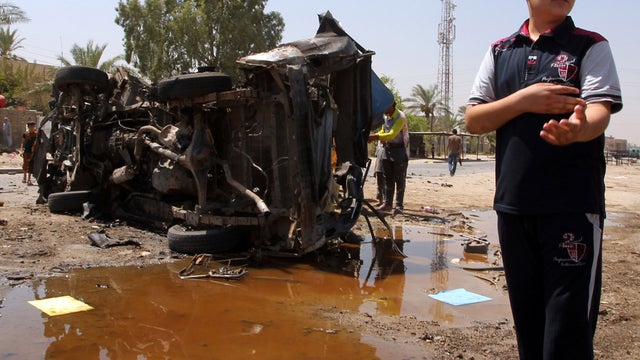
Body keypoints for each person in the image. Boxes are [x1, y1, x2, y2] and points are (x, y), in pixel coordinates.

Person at [465, 1, 622, 358]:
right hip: (513, 208)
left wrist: (580, 130)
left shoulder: (590, 45)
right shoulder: (500, 50)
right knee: (530, 331)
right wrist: (523, 100)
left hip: (572, 209)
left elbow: (599, 109)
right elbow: (474, 119)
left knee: (567, 334)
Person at [368, 102, 409, 215]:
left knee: (399, 180)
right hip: (387, 150)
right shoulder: (386, 117)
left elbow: (392, 134)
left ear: (391, 105)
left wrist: (375, 137)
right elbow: (383, 131)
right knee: (388, 179)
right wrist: (374, 135)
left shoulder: (400, 117)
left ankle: (399, 205)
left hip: (399, 151)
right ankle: (388, 204)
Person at [372, 139, 386, 206]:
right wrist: (375, 169)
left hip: (386, 167)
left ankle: (387, 201)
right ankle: (380, 200)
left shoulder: (388, 146)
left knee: (386, 185)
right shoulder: (379, 145)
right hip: (379, 167)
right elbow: (377, 157)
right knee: (379, 185)